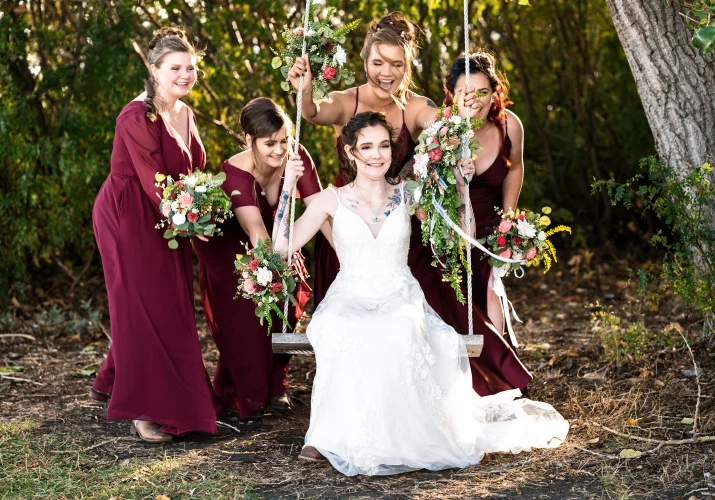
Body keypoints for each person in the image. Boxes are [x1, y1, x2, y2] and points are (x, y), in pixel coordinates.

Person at [271, 112, 568, 476]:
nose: (377, 155)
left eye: (384, 146)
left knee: (397, 328)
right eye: (367, 147)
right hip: (350, 292)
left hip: (399, 291)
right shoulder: (329, 200)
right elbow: (281, 247)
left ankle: (398, 433)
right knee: (335, 325)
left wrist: (461, 186)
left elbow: (462, 232)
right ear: (350, 152)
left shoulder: (409, 194)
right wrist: (288, 188)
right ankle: (328, 434)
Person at [287, 12, 479, 309]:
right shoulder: (344, 101)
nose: (386, 73)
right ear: (365, 61)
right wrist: (306, 88)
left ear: (407, 67)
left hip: (395, 235)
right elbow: (312, 112)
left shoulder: (416, 107)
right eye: (378, 63)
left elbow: (444, 126)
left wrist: (460, 113)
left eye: (396, 64)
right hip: (346, 233)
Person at [90, 27, 217, 442]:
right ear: (154, 69)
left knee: (168, 299)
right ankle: (143, 409)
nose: (184, 75)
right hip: (130, 212)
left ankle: (113, 378)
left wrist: (207, 206)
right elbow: (154, 179)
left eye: (190, 67)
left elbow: (195, 169)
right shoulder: (137, 114)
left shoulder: (186, 112)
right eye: (175, 67)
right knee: (141, 303)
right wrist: (189, 213)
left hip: (169, 215)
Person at [193, 98, 329, 418]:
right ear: (248, 140)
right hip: (232, 247)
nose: (280, 150)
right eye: (270, 144)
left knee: (289, 300)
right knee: (247, 317)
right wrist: (273, 270)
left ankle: (276, 382)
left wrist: (352, 252)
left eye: (285, 140)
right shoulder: (235, 174)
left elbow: (323, 211)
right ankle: (246, 392)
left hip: (278, 235)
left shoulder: (296, 157)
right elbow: (255, 231)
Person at [417, 52, 535, 396]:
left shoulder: (509, 124)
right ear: (450, 92)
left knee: (490, 285)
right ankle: (469, 381)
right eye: (466, 92)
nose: (476, 100)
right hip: (449, 232)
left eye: (483, 92)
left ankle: (498, 377)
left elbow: (514, 168)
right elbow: (425, 198)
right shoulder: (439, 132)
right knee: (453, 292)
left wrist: (508, 221)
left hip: (489, 228)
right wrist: (455, 168)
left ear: (496, 92)